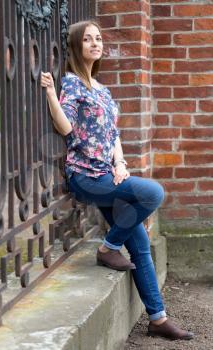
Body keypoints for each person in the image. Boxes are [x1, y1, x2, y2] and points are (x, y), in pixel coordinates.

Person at [41, 20, 194, 341]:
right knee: (153, 193)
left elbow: (113, 135)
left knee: (138, 243)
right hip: (86, 176)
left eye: (98, 38)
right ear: (75, 46)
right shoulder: (71, 83)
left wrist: (121, 162)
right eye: (88, 39)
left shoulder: (103, 90)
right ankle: (109, 246)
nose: (95, 43)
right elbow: (65, 127)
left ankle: (158, 318)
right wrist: (51, 93)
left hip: (109, 174)